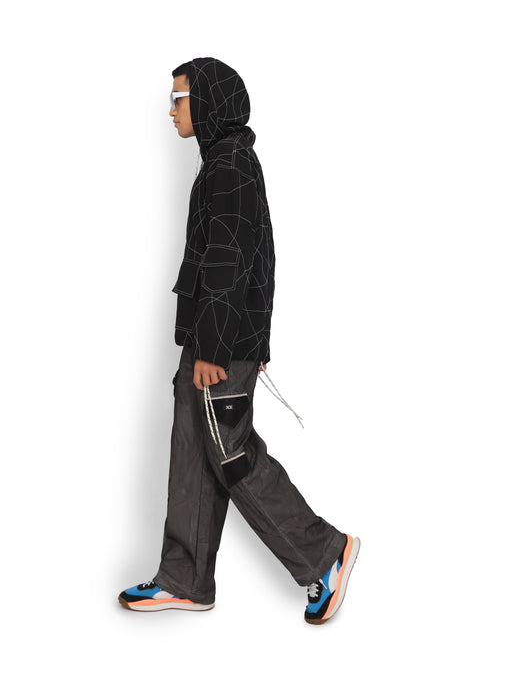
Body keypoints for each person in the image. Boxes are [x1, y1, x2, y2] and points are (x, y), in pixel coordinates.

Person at [118, 57, 360, 624]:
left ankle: (325, 553)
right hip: (215, 336)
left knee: (230, 453)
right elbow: (254, 256)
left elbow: (231, 262)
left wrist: (216, 347)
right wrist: (231, 339)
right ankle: (185, 578)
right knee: (193, 447)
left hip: (218, 344)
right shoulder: (224, 162)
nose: (172, 111)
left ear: (207, 102)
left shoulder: (229, 166)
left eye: (179, 99)